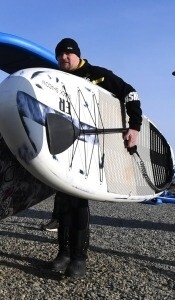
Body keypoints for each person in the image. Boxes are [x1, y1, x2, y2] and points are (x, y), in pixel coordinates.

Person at [47, 38, 143, 278]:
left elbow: (130, 93)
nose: (63, 59)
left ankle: (79, 257)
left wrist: (135, 126)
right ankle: (64, 253)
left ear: (78, 55)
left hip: (91, 148)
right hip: (64, 147)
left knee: (79, 202)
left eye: (68, 54)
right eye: (60, 56)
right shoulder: (57, 79)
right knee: (63, 200)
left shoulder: (97, 75)